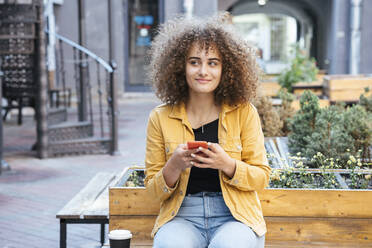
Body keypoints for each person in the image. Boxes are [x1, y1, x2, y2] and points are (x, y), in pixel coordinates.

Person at [145, 13, 271, 248]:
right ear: (179, 66)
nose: (203, 71)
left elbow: (262, 177)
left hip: (235, 216)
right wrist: (174, 165)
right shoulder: (160, 117)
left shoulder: (244, 112)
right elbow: (152, 193)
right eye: (194, 62)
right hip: (181, 216)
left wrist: (228, 164)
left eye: (213, 62)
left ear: (227, 68)